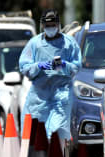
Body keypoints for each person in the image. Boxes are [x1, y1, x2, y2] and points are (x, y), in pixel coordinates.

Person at [19, 9, 82, 149]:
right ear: (42, 26)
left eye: (53, 24)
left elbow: (77, 66)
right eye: (47, 25)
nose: (50, 28)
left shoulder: (69, 43)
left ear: (58, 24)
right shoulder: (34, 44)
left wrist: (65, 65)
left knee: (57, 130)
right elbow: (24, 67)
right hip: (39, 96)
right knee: (36, 132)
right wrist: (38, 66)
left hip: (61, 93)